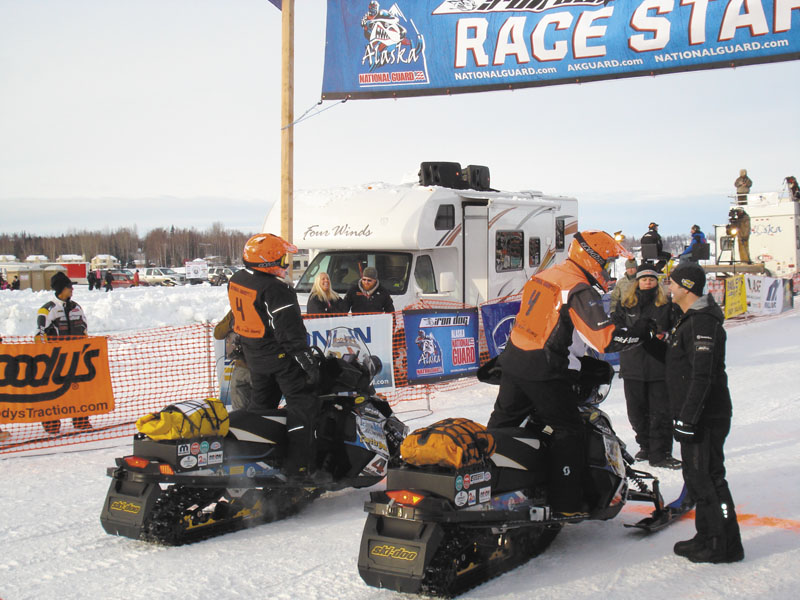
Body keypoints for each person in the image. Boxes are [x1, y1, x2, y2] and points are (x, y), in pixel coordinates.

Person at [487, 231, 652, 518]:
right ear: (593, 259)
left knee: (502, 423)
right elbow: (604, 340)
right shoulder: (577, 287)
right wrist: (642, 333)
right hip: (542, 367)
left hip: (513, 358)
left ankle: (485, 479)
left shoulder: (549, 274)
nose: (607, 270)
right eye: (607, 263)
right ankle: (567, 504)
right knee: (568, 430)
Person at [645, 263, 744, 563]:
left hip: (706, 415)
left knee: (709, 478)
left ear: (686, 287)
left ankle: (722, 544)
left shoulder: (703, 322)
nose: (668, 287)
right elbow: (678, 363)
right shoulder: (688, 320)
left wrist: (689, 418)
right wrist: (648, 341)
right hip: (694, 413)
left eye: (672, 283)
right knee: (697, 477)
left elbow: (703, 376)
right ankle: (708, 534)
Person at [227, 233, 326, 483]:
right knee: (302, 408)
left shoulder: (237, 279)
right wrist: (306, 360)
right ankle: (300, 469)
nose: (285, 263)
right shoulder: (275, 289)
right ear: (266, 261)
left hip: (255, 356)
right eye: (282, 258)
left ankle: (258, 457)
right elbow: (288, 330)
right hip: (280, 359)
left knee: (261, 409)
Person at [613, 262, 680, 469]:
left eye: (651, 279)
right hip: (632, 366)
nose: (648, 282)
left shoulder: (666, 305)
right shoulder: (627, 304)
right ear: (637, 282)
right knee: (636, 412)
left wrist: (665, 336)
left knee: (660, 412)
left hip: (659, 367)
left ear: (657, 282)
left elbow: (677, 331)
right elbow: (616, 328)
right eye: (644, 279)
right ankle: (646, 445)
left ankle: (661, 453)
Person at [36, 272, 92, 434]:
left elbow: (84, 330)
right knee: (54, 392)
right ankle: (51, 423)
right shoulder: (47, 310)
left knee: (78, 389)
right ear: (61, 289)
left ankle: (81, 420)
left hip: (76, 358)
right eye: (69, 287)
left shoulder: (77, 307)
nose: (72, 289)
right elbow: (40, 335)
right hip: (55, 359)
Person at [213, 310, 256, 411]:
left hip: (260, 368)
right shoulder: (236, 309)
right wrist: (231, 323)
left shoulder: (263, 306)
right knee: (239, 411)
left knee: (260, 410)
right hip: (242, 367)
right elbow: (218, 333)